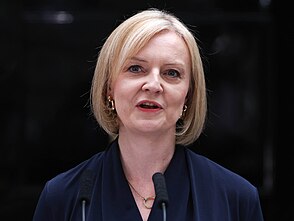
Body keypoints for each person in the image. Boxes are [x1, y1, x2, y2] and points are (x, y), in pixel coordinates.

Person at [32, 8, 264, 221]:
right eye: (136, 68)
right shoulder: (63, 197)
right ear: (109, 87)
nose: (153, 85)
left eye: (171, 73)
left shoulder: (236, 199)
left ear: (188, 96)